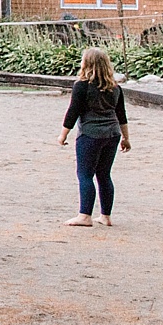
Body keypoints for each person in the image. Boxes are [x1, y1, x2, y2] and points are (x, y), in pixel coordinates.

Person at [59, 47, 131, 227]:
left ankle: (84, 215)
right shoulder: (115, 88)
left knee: (85, 174)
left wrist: (63, 135)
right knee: (104, 174)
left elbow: (72, 112)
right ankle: (105, 216)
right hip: (112, 134)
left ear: (86, 64)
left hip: (90, 134)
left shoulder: (82, 86)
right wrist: (126, 138)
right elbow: (121, 114)